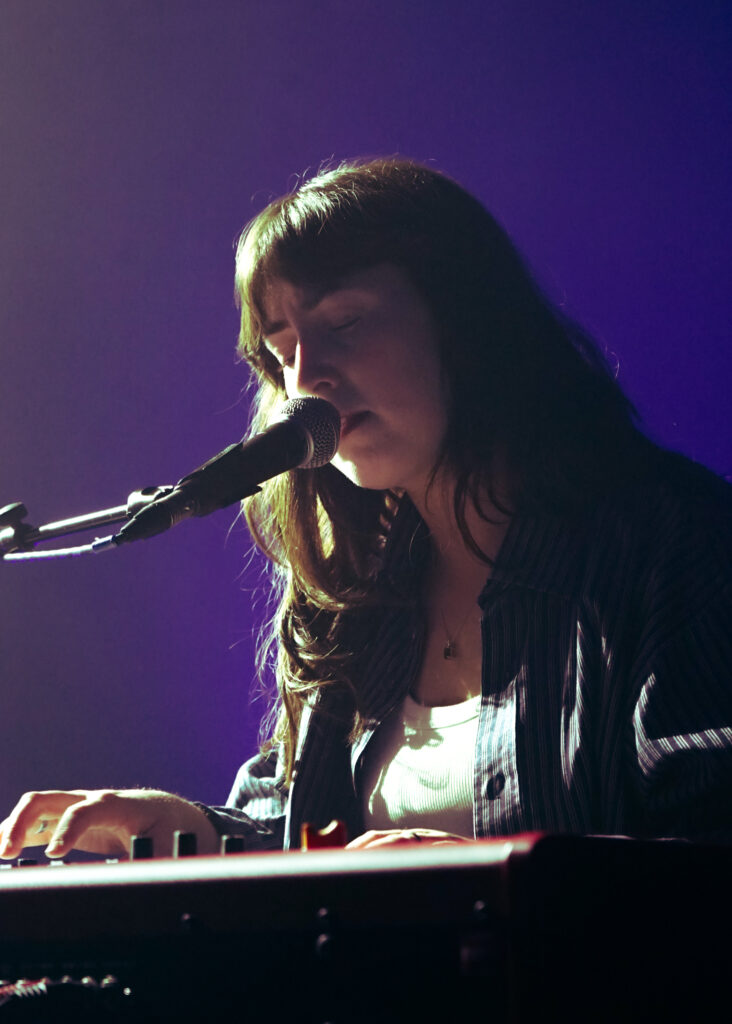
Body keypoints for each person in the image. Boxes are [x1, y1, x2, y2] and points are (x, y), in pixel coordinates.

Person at [1, 157, 731, 862]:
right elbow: (302, 836)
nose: (305, 379)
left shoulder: (674, 546)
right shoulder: (356, 583)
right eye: (281, 351)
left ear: (466, 321)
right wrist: (192, 829)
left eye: (344, 323)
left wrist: (489, 872)